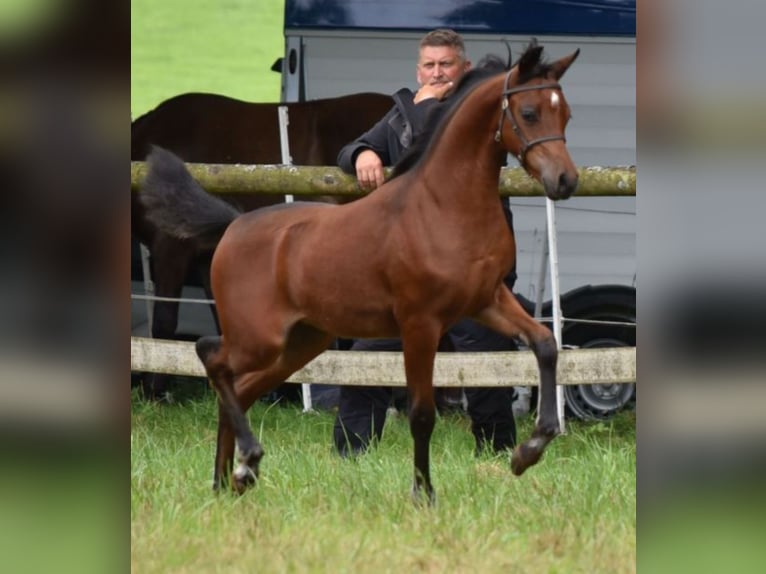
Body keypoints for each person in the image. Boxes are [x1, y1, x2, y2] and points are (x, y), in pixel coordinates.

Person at [333, 29, 520, 458]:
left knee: (487, 365)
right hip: (412, 275)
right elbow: (346, 151)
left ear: (465, 69)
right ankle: (351, 457)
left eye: (446, 64)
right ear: (418, 70)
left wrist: (424, 111)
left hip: (471, 274)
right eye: (429, 65)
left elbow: (438, 155)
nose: (437, 73)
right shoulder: (401, 111)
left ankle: (495, 455)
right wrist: (363, 153)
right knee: (368, 359)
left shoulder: (484, 110)